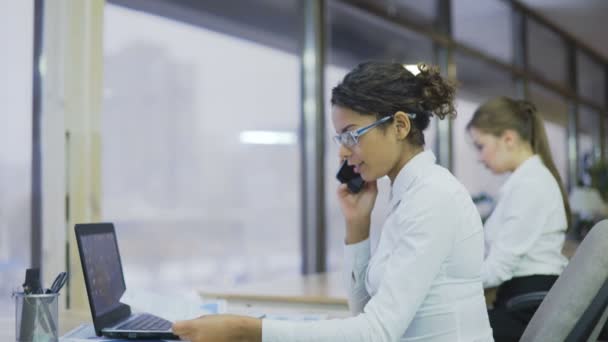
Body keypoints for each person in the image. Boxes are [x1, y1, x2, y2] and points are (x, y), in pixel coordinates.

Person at [172, 61, 493, 341]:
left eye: (352, 135)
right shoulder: (409, 196)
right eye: (340, 138)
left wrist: (247, 331)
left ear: (399, 125)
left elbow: (374, 333)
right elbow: (366, 312)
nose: (342, 151)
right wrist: (357, 224)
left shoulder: (432, 198)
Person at [467, 96, 570, 341]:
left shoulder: (531, 185)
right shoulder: (526, 181)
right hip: (522, 300)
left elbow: (499, 268)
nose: (480, 158)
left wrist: (444, 286)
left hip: (527, 308)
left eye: (481, 146)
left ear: (509, 139)